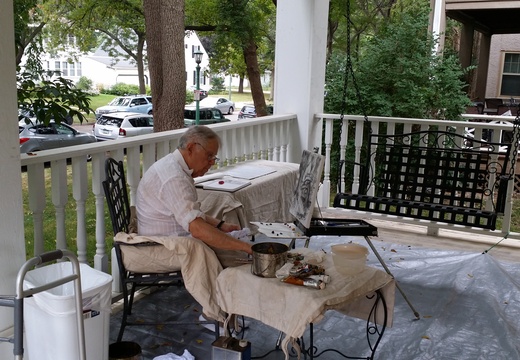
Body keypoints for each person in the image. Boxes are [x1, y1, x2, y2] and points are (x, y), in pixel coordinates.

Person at [129, 125, 252, 323]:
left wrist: (220, 225)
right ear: (192, 148)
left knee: (221, 243)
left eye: (214, 158)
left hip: (166, 239)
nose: (211, 163)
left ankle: (225, 306)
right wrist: (247, 248)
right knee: (208, 248)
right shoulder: (174, 177)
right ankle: (216, 314)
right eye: (209, 156)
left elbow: (190, 212)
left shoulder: (176, 167)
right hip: (154, 247)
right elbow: (196, 228)